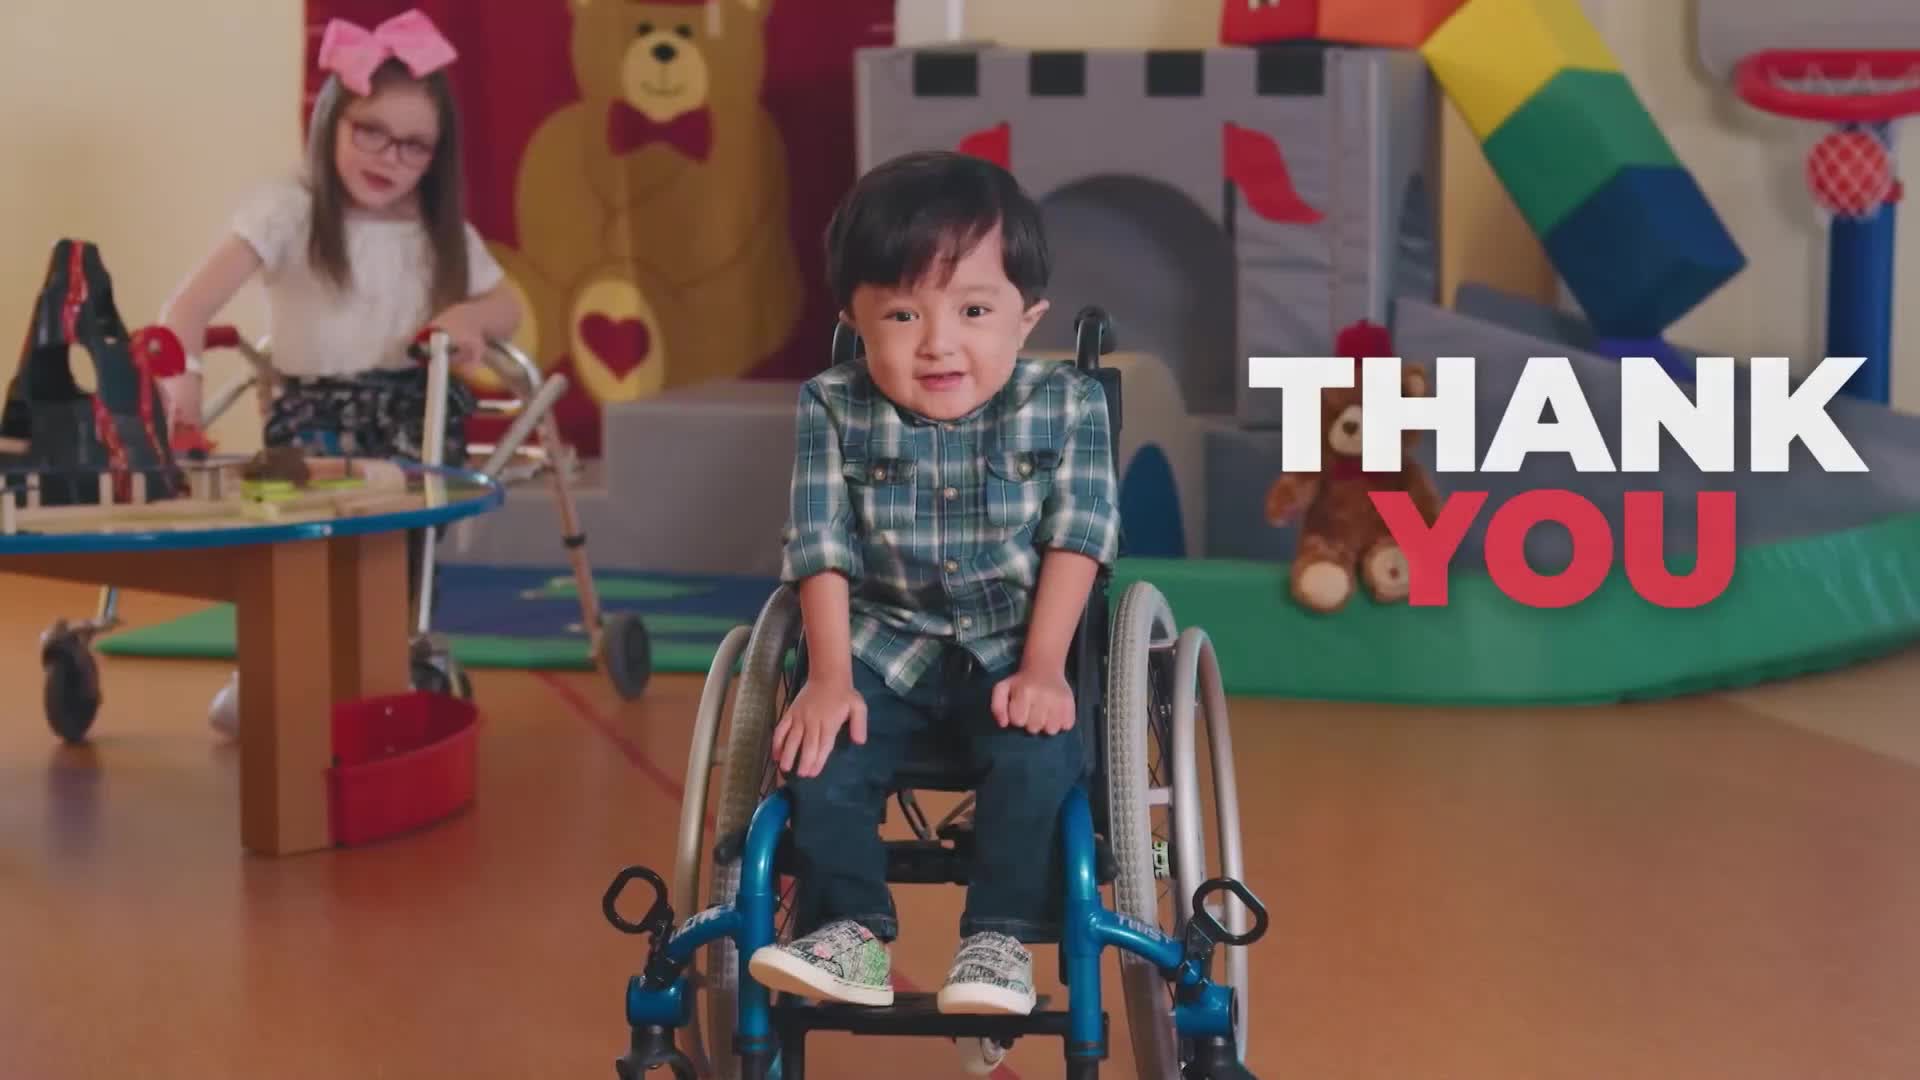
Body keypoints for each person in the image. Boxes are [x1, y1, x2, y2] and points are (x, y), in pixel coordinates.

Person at [748, 150, 1121, 1017]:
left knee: (1042, 755)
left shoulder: (1069, 403)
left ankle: (998, 940)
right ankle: (851, 933)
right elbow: (820, 543)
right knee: (820, 749)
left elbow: (1080, 536)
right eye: (903, 313)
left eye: (974, 310)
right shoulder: (832, 404)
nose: (939, 342)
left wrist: (1044, 667)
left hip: (1015, 642)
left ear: (1027, 320)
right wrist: (828, 678)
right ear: (855, 320)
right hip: (882, 643)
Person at [155, 10, 521, 735]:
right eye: (370, 132)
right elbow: (186, 308)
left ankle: (391, 664)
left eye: (413, 145)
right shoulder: (288, 212)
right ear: (331, 122)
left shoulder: (438, 232)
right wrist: (183, 386)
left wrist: (471, 318)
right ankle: (270, 670)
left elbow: (507, 304)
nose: (389, 157)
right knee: (301, 542)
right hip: (313, 413)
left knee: (398, 541)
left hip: (412, 413)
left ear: (437, 156)